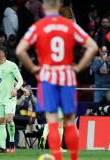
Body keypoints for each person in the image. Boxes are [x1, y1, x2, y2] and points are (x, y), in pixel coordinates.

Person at [15, 0, 98, 160]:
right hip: (67, 76)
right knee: (69, 121)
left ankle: (57, 157)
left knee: (52, 121)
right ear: (59, 7)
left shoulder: (38, 26)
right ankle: (74, 158)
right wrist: (79, 67)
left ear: (44, 7)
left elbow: (20, 50)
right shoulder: (70, 25)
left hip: (47, 77)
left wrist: (33, 68)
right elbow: (93, 46)